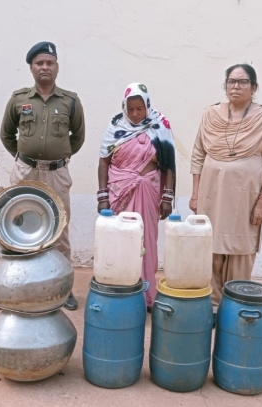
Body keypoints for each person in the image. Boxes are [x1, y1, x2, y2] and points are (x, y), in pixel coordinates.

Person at [0, 41, 85, 311]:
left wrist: (58, 157)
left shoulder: (70, 101)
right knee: (17, 226)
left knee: (60, 229)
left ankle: (63, 289)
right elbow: (6, 134)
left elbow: (78, 137)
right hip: (25, 171)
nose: (45, 67)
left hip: (57, 173)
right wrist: (24, 157)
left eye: (50, 63)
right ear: (31, 68)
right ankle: (15, 287)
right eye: (39, 63)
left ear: (57, 67)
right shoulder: (19, 99)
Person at [190, 63, 262, 310]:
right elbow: (198, 155)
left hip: (247, 197)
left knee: (241, 249)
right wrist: (195, 194)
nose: (236, 86)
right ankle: (211, 306)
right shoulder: (210, 114)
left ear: (253, 87)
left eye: (242, 82)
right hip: (212, 193)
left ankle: (234, 306)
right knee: (210, 246)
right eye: (232, 81)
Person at [98, 83, 176, 311]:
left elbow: (168, 164)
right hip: (119, 190)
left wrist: (167, 197)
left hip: (149, 190)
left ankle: (146, 296)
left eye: (139, 109)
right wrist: (102, 196)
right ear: (124, 107)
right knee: (120, 240)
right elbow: (103, 162)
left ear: (147, 106)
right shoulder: (116, 126)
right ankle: (120, 292)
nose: (134, 114)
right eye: (130, 109)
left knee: (146, 241)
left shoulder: (160, 125)